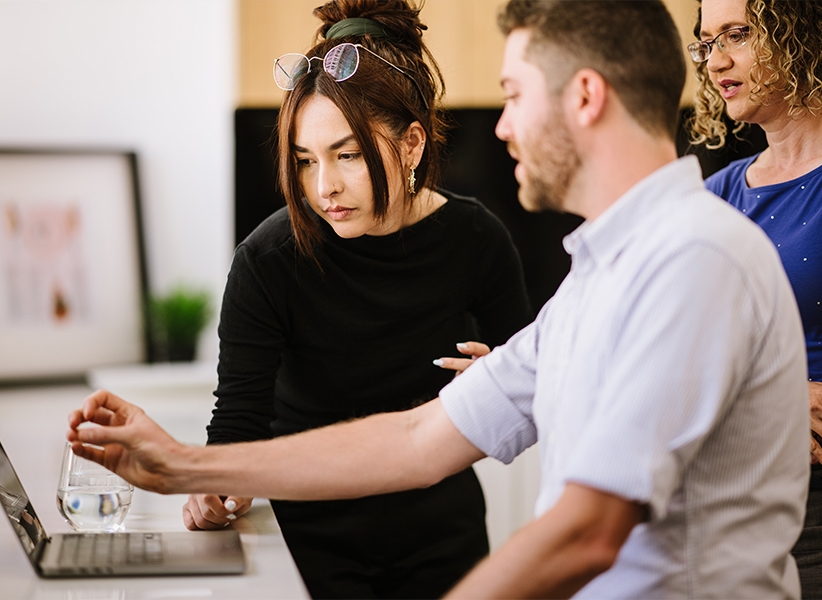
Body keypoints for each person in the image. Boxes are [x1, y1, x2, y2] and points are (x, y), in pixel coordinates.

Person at [68, 0, 810, 597]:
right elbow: (416, 441)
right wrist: (185, 467)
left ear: (585, 96)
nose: (503, 124)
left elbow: (589, 532)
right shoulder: (600, 276)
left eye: (515, 96)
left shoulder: (694, 259)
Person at [183, 0, 532, 598]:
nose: (324, 187)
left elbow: (536, 383)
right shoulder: (268, 261)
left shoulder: (477, 240)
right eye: (305, 161)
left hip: (443, 540)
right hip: (308, 542)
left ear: (413, 144)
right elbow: (239, 420)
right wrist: (212, 486)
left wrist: (502, 382)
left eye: (347, 155)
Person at [688, 0, 822, 595]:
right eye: (705, 42)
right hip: (728, 500)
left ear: (800, 33)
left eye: (738, 34)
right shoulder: (715, 195)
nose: (716, 61)